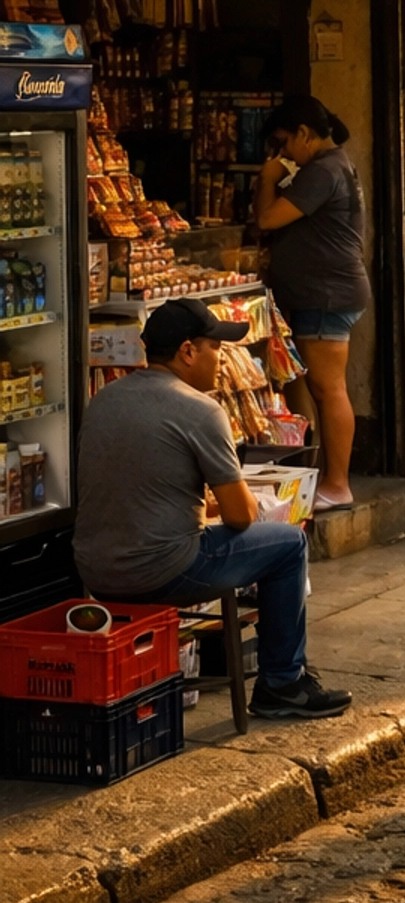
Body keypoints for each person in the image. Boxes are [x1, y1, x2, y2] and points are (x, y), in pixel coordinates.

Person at [72, 300, 352, 719]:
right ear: (188, 351)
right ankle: (282, 683)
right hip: (162, 569)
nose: (222, 360)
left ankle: (282, 679)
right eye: (216, 348)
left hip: (94, 570)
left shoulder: (104, 400)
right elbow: (241, 517)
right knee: (289, 544)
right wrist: (244, 501)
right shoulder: (200, 410)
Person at [254, 98, 371, 511]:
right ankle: (313, 475)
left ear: (304, 134)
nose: (283, 153)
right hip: (319, 293)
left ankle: (338, 485)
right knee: (307, 385)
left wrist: (268, 178)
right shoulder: (330, 166)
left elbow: (267, 219)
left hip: (327, 294)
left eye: (284, 142)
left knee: (327, 388)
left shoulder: (323, 170)